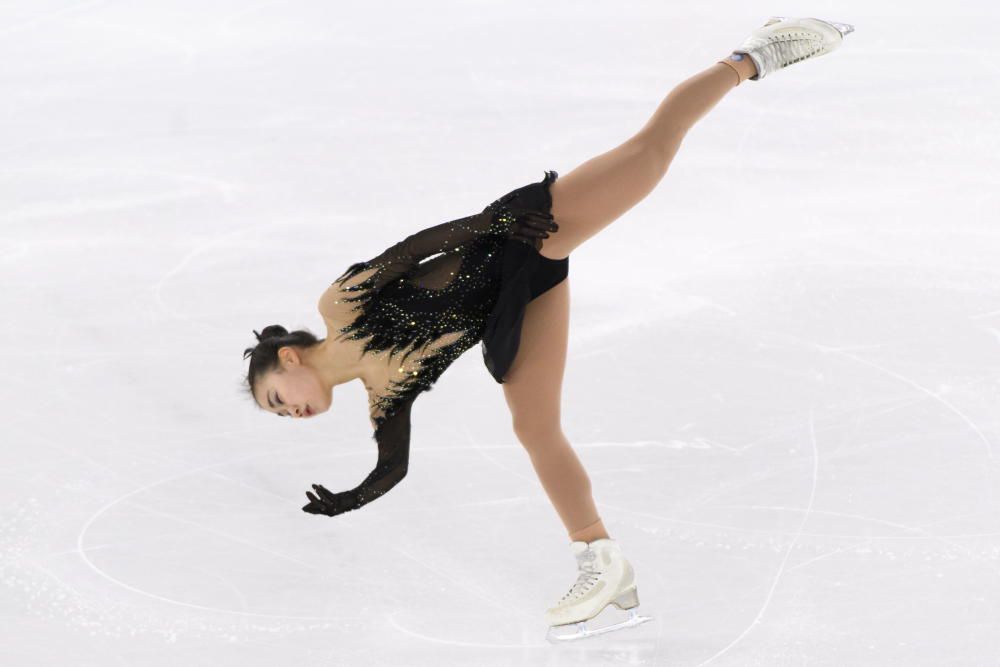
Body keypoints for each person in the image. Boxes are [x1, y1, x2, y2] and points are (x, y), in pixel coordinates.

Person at [241, 16, 855, 641]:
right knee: (535, 426)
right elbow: (392, 467)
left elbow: (415, 249)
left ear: (288, 359)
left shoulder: (339, 307)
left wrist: (493, 221)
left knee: (650, 149)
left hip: (519, 235)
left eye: (274, 400)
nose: (285, 414)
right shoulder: (384, 394)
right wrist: (350, 498)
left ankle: (754, 55)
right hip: (520, 303)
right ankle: (602, 564)